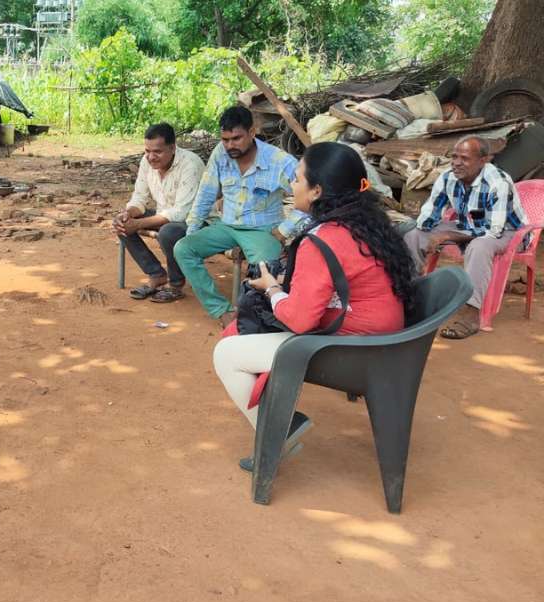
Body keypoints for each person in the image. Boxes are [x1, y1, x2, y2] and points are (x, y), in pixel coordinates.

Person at [212, 142, 417, 472]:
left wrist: (274, 288)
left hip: (354, 350)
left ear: (318, 190)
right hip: (386, 340)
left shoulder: (322, 238)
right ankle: (277, 419)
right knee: (243, 334)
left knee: (226, 353)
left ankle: (279, 432)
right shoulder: (366, 222)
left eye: (296, 179)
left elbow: (300, 320)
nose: (291, 186)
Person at [174, 105, 305, 327]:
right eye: (225, 139)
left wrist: (285, 230)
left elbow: (309, 199)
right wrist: (193, 230)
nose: (230, 145)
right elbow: (206, 193)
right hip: (226, 226)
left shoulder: (280, 161)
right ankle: (221, 310)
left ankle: (257, 318)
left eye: (236, 138)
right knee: (183, 248)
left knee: (267, 270)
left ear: (252, 133)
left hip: (262, 230)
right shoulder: (220, 153)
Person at [404, 135, 527, 339]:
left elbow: (493, 232)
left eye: (464, 158)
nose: (456, 163)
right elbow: (429, 213)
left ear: (483, 160)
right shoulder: (448, 177)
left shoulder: (498, 182)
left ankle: (471, 314)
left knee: (479, 247)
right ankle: (409, 297)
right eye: (454, 157)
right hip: (468, 225)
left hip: (507, 232)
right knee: (414, 236)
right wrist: (423, 228)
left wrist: (450, 235)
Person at [113, 122, 205, 303]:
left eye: (157, 152)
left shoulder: (190, 164)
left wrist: (138, 224)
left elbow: (181, 213)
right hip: (166, 215)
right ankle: (156, 274)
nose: (151, 157)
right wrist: (128, 214)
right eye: (147, 151)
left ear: (172, 148)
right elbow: (139, 197)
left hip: (197, 220)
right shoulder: (146, 161)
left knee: (169, 232)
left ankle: (176, 285)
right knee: (122, 223)